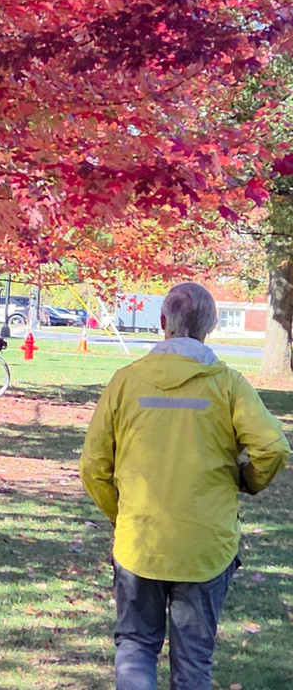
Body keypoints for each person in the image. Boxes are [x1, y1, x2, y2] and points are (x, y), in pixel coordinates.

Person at [80, 282, 290, 690]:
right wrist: (246, 480)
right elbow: (273, 448)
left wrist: (119, 513)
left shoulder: (126, 382)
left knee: (136, 645)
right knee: (194, 659)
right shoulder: (227, 385)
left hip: (140, 541)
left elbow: (93, 466)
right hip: (205, 545)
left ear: (162, 323)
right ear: (211, 326)